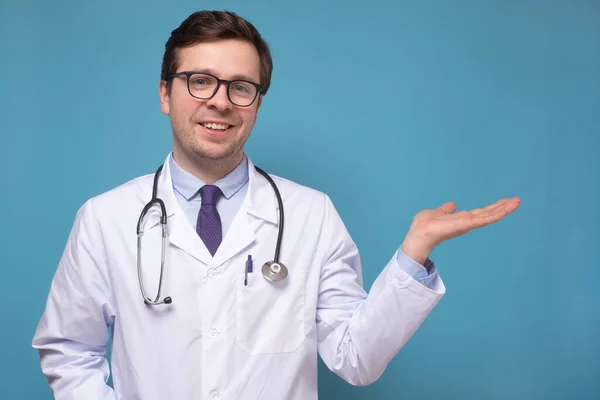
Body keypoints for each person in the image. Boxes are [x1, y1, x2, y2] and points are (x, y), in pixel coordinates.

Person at [32, 9, 520, 400]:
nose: (220, 101)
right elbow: (69, 349)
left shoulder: (312, 215)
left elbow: (356, 360)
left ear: (257, 102)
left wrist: (415, 252)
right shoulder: (105, 218)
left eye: (241, 87)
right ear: (166, 93)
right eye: (200, 80)